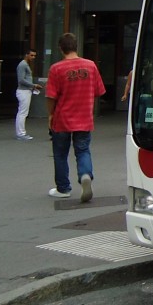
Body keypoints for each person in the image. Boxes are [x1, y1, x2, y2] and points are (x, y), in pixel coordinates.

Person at [45, 33, 106, 201]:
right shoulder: (91, 66)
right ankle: (85, 175)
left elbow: (51, 96)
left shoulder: (56, 68)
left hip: (63, 118)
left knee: (60, 154)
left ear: (60, 48)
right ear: (76, 47)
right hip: (84, 117)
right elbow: (99, 91)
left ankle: (63, 188)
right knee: (83, 150)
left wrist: (50, 115)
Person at [14, 48, 41, 140]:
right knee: (22, 113)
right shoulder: (23, 65)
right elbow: (21, 80)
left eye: (34, 56)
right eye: (31, 55)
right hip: (23, 91)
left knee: (22, 112)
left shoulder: (24, 65)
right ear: (26, 55)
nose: (33, 57)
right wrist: (34, 85)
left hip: (25, 90)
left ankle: (21, 132)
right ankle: (21, 133)